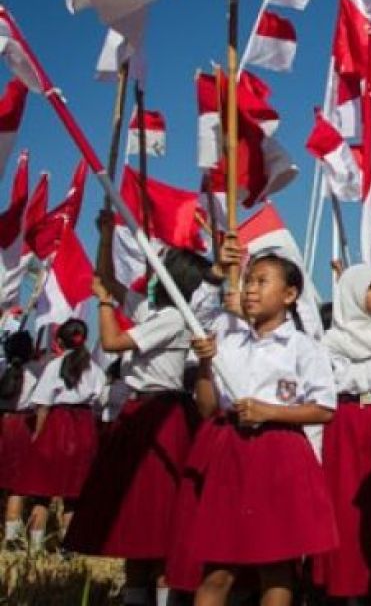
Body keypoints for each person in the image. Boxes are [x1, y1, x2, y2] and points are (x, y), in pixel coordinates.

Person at [167, 253, 339, 606]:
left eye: (262, 282)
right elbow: (208, 407)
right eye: (248, 282)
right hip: (231, 455)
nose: (250, 290)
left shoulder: (304, 348)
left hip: (279, 455)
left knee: (275, 566)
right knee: (218, 567)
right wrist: (203, 365)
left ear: (289, 295)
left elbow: (324, 409)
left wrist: (269, 411)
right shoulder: (227, 344)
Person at [66, 244, 227, 606]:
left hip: (162, 416)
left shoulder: (172, 319)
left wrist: (104, 304)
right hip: (139, 416)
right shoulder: (154, 311)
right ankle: (136, 596)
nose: (152, 278)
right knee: (136, 519)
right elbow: (107, 281)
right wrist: (105, 235)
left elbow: (110, 342)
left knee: (156, 520)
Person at [312, 264, 371, 601]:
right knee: (347, 510)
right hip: (346, 426)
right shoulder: (331, 340)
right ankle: (349, 590)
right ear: (352, 293)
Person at [12, 319, 105, 552]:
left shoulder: (55, 366)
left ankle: (34, 548)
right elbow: (99, 401)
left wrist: (38, 434)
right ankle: (68, 549)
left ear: (60, 341)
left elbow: (42, 403)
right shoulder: (94, 369)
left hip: (57, 426)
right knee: (73, 497)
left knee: (41, 493)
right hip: (83, 428)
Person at [0, 330, 37, 550]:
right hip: (21, 425)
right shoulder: (36, 370)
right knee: (16, 485)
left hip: (3, 421)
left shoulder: (2, 366)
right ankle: (12, 537)